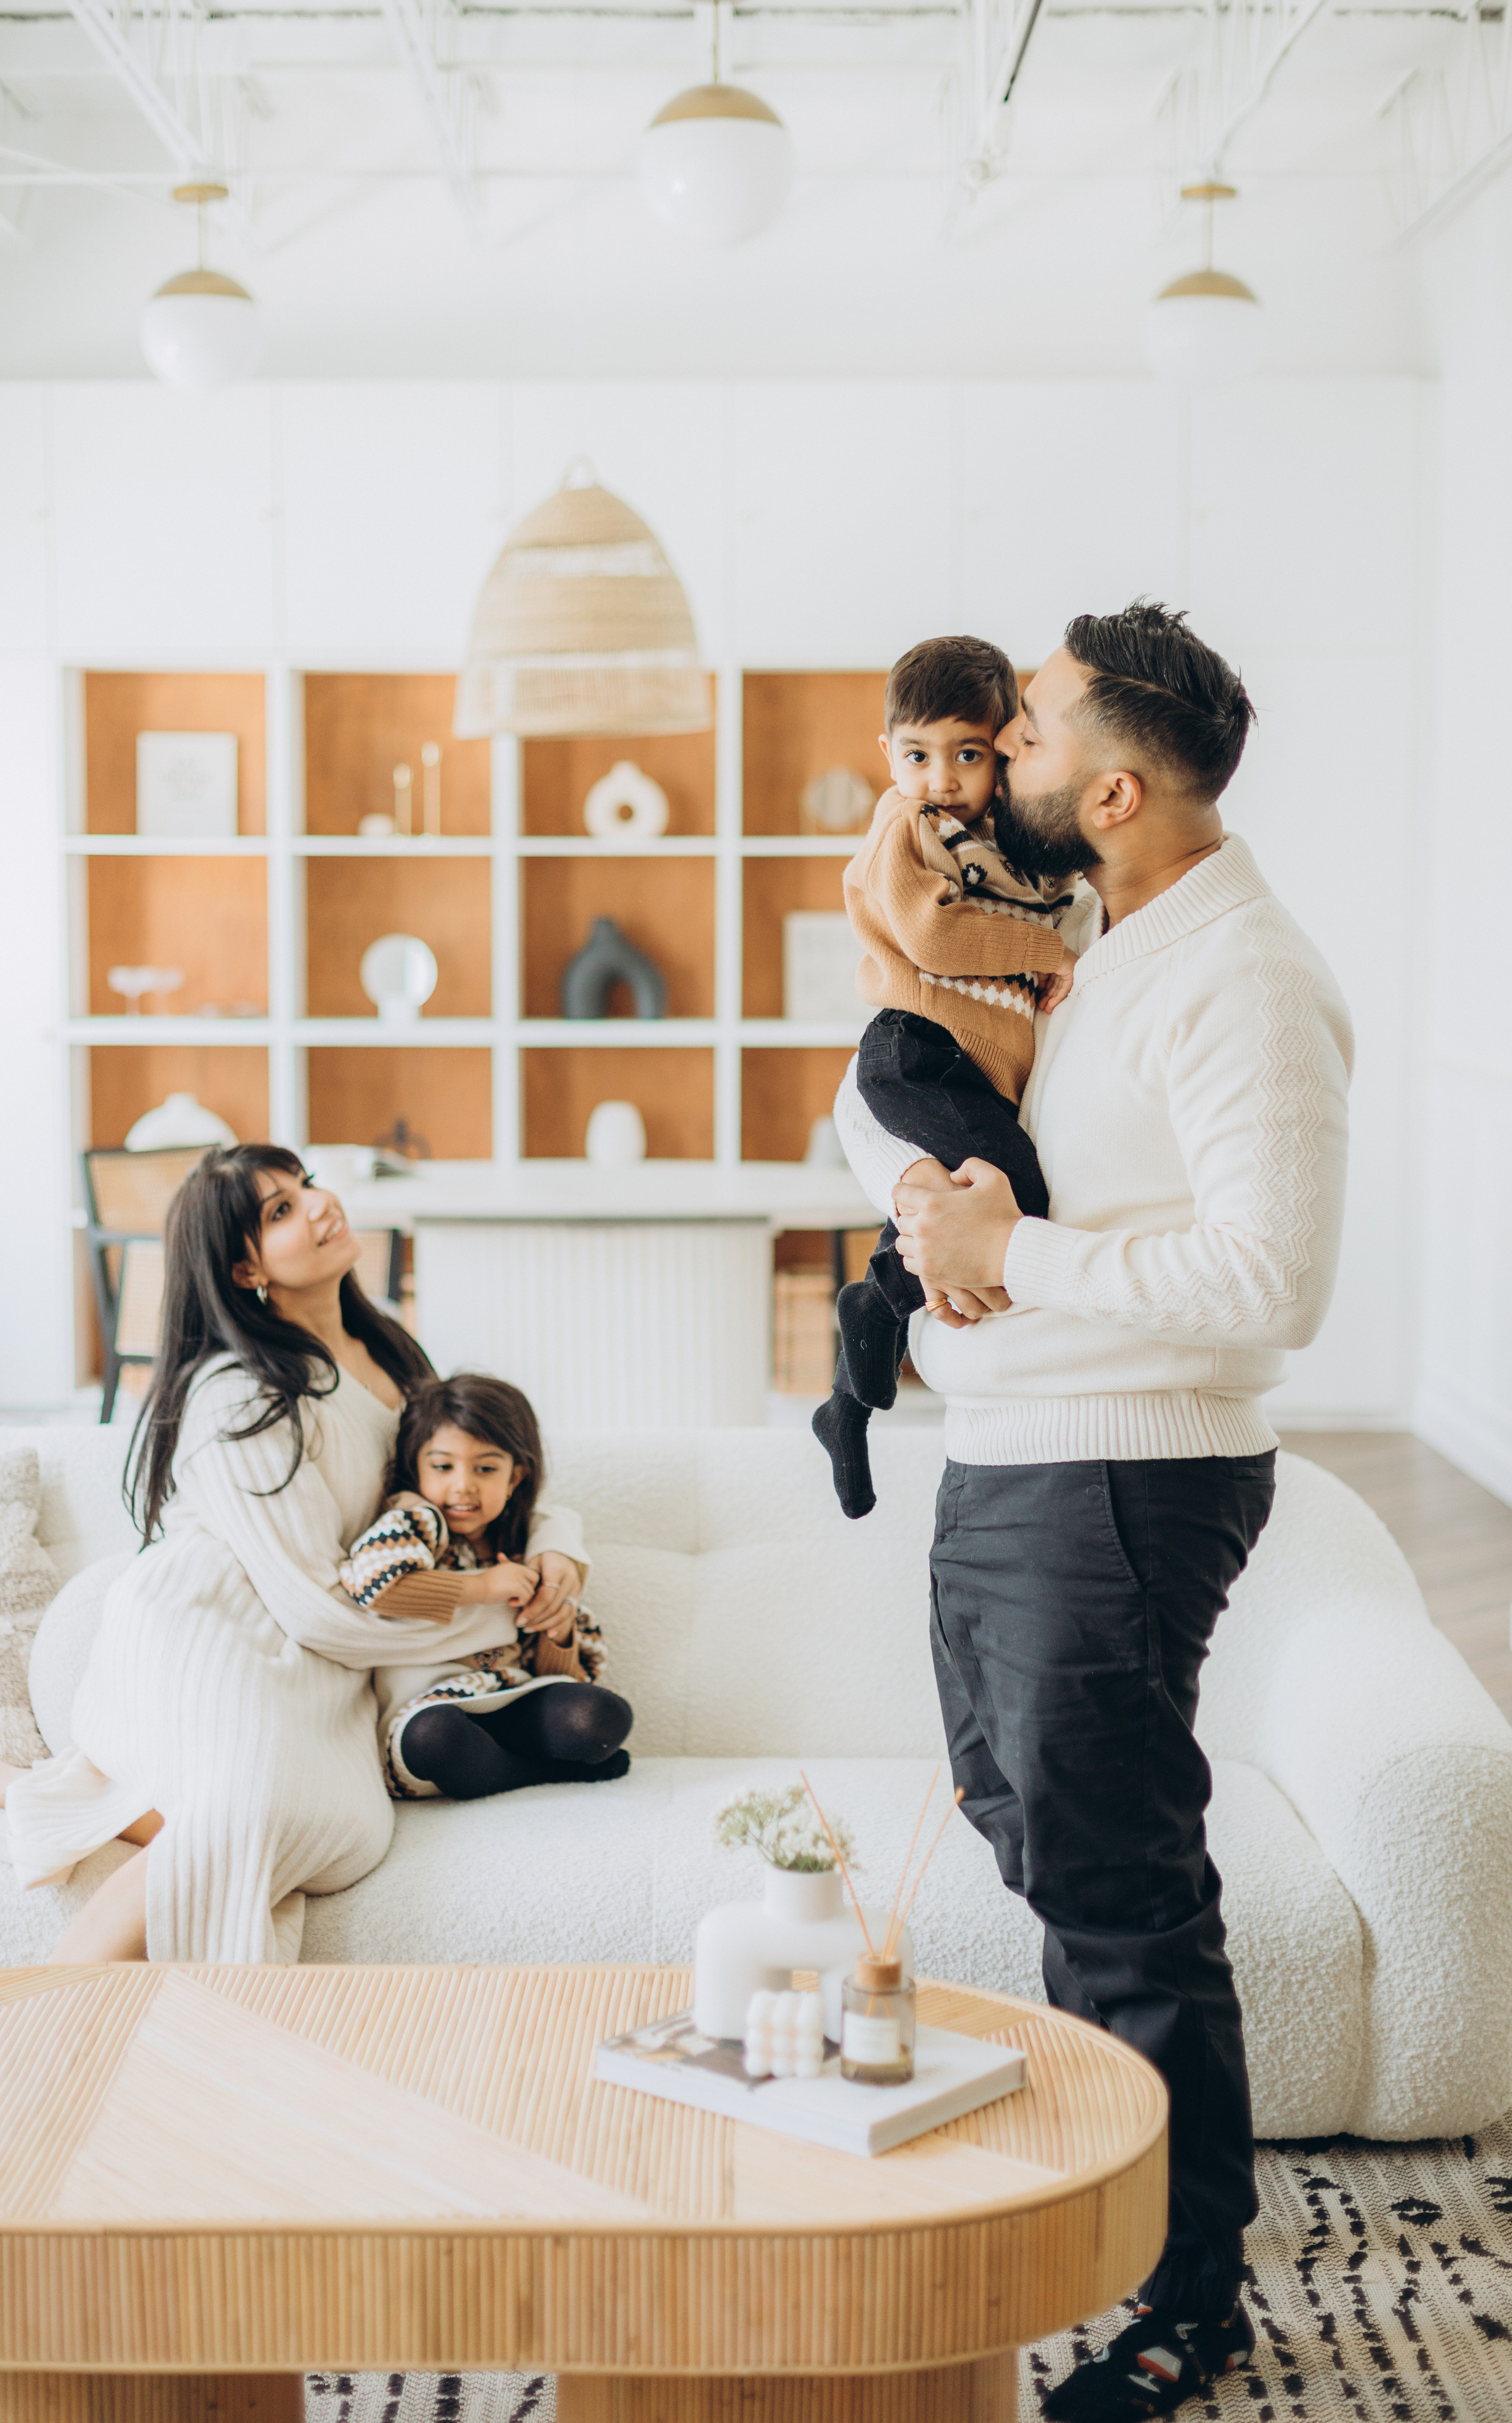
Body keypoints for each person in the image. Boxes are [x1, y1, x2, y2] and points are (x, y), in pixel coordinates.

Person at [835, 603, 1352, 2422]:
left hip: (1124, 1477)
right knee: (1035, 1827)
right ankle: (1142, 2176)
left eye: (1029, 735)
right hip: (1019, 1459)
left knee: (1123, 1896)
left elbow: (1271, 1281)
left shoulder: (1241, 978)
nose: (994, 755)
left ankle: (1180, 2292)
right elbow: (911, 1090)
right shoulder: (1107, 946)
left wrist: (1010, 1249)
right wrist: (926, 1194)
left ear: (1115, 792)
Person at [0, 1147, 588, 1964]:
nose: (318, 1205)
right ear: (244, 1269)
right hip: (217, 1630)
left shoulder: (392, 1360)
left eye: (305, 1187)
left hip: (314, 1647)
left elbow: (478, 1481)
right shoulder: (237, 1391)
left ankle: (50, 1797)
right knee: (251, 1818)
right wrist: (498, 1612)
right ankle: (43, 2032)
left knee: (345, 1829)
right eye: (279, 1211)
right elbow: (316, 1604)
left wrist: (559, 1555)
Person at [811, 634, 1078, 1519]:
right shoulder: (908, 825)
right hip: (915, 1051)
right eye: (919, 756)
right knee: (1020, 1198)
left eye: (967, 755)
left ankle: (853, 1386)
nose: (941, 778)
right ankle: (879, 1314)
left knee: (963, 1208)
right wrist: (1046, 951)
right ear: (890, 754)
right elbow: (931, 937)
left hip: (967, 1066)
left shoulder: (999, 838)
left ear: (1003, 750)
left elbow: (1053, 895)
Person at [341, 1371, 632, 1800]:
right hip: (431, 1712)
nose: (463, 1485)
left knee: (600, 1716)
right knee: (438, 1739)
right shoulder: (415, 1520)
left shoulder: (524, 1546)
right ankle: (533, 1772)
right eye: (442, 1466)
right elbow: (374, 1584)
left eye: (486, 1468)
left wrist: (559, 1628)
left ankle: (509, 1765)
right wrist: (482, 1587)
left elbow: (559, 1677)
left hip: (510, 1699)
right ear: (415, 1468)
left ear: (514, 1478)